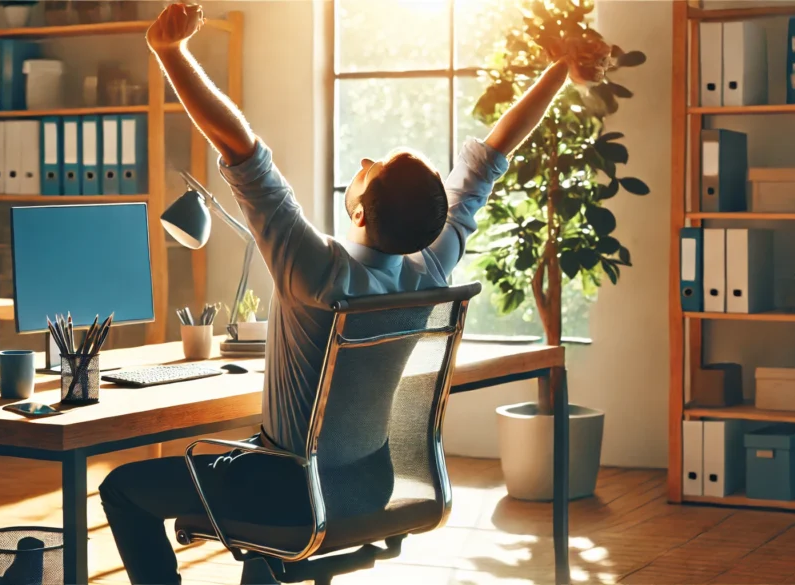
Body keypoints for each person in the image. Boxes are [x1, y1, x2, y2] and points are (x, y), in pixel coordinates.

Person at [99, 4, 612, 584]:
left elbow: (243, 152)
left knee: (122, 488)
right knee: (250, 477)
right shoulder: (430, 270)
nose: (363, 161)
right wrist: (561, 68)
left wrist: (171, 51)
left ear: (362, 210)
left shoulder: (315, 269)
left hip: (289, 491)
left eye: (372, 167)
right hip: (372, 485)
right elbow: (492, 158)